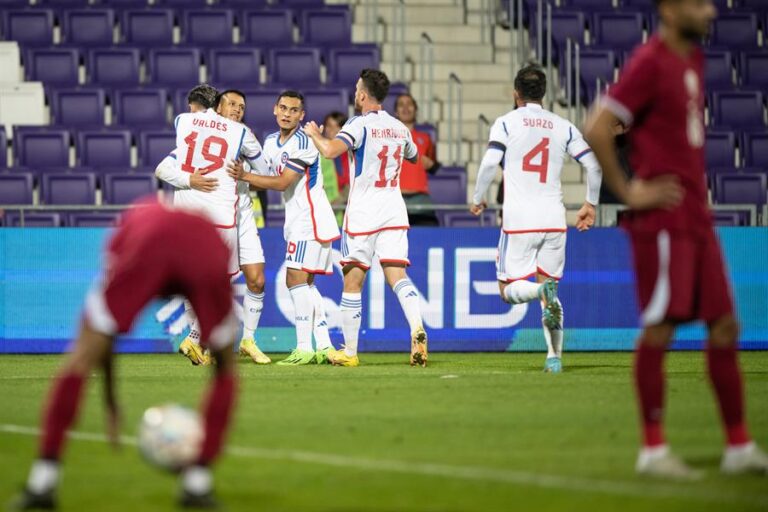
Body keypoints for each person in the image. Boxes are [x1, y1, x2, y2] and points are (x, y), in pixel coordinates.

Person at [584, 0, 768, 478]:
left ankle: (739, 445)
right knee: (661, 329)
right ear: (669, 9)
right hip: (664, 220)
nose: (710, 11)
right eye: (698, 3)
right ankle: (652, 449)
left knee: (726, 324)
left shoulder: (693, 59)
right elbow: (597, 127)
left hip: (696, 217)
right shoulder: (649, 62)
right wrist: (628, 190)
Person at [13, 201, 239, 510]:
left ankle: (43, 482)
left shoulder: (125, 232)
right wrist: (110, 399)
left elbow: (102, 337)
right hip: (205, 249)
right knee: (226, 369)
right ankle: (198, 485)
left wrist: (110, 402)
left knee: (80, 358)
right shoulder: (193, 229)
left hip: (148, 245)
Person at [470, 64, 603, 374]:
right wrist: (590, 205)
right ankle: (554, 358)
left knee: (507, 291)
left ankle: (536, 291)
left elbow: (490, 163)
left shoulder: (506, 123)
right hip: (554, 220)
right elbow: (594, 166)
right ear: (544, 94)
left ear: (516, 93)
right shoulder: (563, 125)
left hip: (519, 221)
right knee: (551, 290)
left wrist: (478, 198)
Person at [303, 69, 428, 367]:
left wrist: (315, 134)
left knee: (353, 281)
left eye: (358, 88)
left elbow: (332, 150)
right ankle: (417, 329)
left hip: (363, 213)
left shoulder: (358, 125)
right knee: (398, 277)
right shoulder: (399, 127)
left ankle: (350, 353)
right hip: (394, 211)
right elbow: (413, 156)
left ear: (362, 94)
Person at [156, 87, 272, 366]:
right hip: (223, 213)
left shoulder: (195, 124)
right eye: (231, 104)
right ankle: (197, 339)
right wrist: (190, 179)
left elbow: (265, 172)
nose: (237, 110)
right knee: (214, 279)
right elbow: (165, 167)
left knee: (256, 279)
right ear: (218, 107)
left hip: (240, 211)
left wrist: (244, 174)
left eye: (242, 107)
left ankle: (247, 340)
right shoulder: (237, 135)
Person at [228, 91, 340, 365]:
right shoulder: (269, 142)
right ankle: (324, 345)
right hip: (298, 220)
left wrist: (243, 175)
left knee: (295, 280)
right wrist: (239, 179)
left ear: (302, 116)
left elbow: (281, 183)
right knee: (308, 284)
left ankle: (303, 347)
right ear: (275, 110)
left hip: (309, 220)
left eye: (294, 110)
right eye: (283, 108)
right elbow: (263, 178)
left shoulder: (304, 142)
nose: (287, 113)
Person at [394, 93, 440, 226]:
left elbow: (433, 166)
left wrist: (431, 164)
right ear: (396, 112)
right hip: (395, 197)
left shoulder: (425, 138)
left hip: (420, 200)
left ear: (415, 109)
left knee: (429, 231)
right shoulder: (387, 138)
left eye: (409, 104)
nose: (406, 108)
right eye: (401, 105)